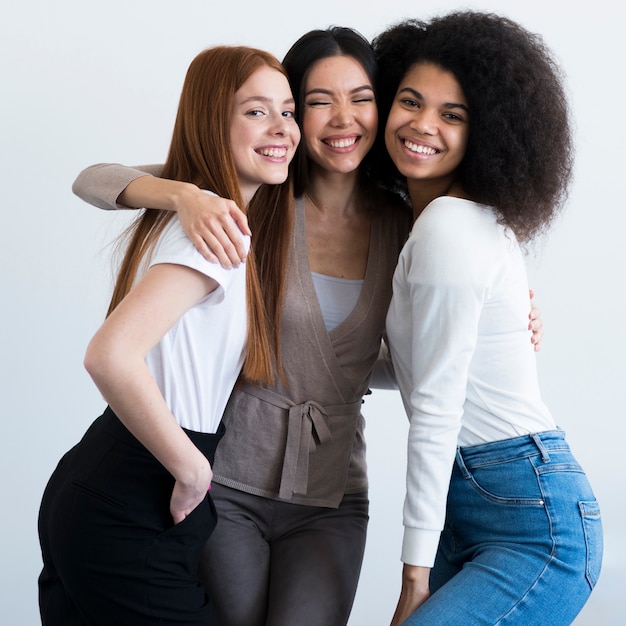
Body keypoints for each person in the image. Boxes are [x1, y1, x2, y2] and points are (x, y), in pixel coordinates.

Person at [71, 27, 544, 625]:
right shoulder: (258, 196)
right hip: (231, 482)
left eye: (362, 97)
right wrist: (184, 195)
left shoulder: (407, 229)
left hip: (333, 496)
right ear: (295, 112)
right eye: (319, 100)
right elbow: (92, 178)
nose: (343, 118)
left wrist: (500, 326)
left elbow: (390, 360)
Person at [37, 45, 299, 626]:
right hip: (137, 495)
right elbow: (110, 355)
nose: (282, 127)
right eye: (256, 111)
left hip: (110, 483)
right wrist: (193, 470)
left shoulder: (196, 212)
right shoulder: (214, 236)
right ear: (213, 121)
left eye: (288, 110)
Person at [371, 11, 603, 625]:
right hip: (481, 498)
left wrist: (412, 579)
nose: (423, 125)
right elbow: (418, 367)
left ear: (490, 133)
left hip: (531, 521)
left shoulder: (449, 227)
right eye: (411, 102)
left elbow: (439, 404)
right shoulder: (443, 224)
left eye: (453, 115)